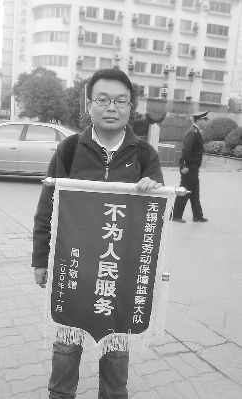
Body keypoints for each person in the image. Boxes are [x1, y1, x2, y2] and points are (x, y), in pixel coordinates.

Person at [32, 68, 164, 399]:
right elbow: (48, 207)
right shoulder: (69, 150)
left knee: (116, 351)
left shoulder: (145, 155)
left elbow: (156, 221)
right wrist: (39, 260)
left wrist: (153, 192)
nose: (111, 107)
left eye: (121, 101)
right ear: (89, 104)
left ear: (130, 107)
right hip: (73, 267)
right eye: (102, 99)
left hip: (119, 273)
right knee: (66, 348)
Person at [172, 111, 209, 223]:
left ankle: (197, 216)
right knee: (184, 191)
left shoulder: (196, 132)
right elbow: (186, 150)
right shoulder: (193, 132)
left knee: (194, 193)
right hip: (189, 168)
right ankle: (175, 215)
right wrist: (184, 165)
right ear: (198, 120)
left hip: (193, 168)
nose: (205, 122)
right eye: (204, 120)